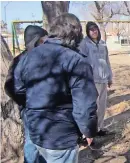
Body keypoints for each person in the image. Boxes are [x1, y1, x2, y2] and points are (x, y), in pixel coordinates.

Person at [13, 13, 98, 163]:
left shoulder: (28, 57)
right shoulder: (76, 61)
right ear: (76, 33)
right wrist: (88, 131)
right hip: (60, 138)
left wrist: (35, 106)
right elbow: (84, 105)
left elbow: (18, 89)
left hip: (35, 130)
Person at [4, 25, 48, 163]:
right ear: (36, 40)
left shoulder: (46, 57)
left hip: (47, 109)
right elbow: (10, 87)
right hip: (31, 110)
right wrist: (27, 102)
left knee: (44, 143)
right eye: (43, 39)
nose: (46, 43)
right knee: (32, 144)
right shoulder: (20, 60)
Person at [78, 21, 114, 136]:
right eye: (91, 30)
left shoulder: (103, 44)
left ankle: (100, 128)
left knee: (102, 106)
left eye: (96, 29)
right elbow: (81, 62)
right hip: (92, 81)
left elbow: (107, 60)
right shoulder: (84, 44)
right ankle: (88, 133)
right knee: (92, 107)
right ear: (88, 32)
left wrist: (109, 77)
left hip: (103, 80)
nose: (94, 31)